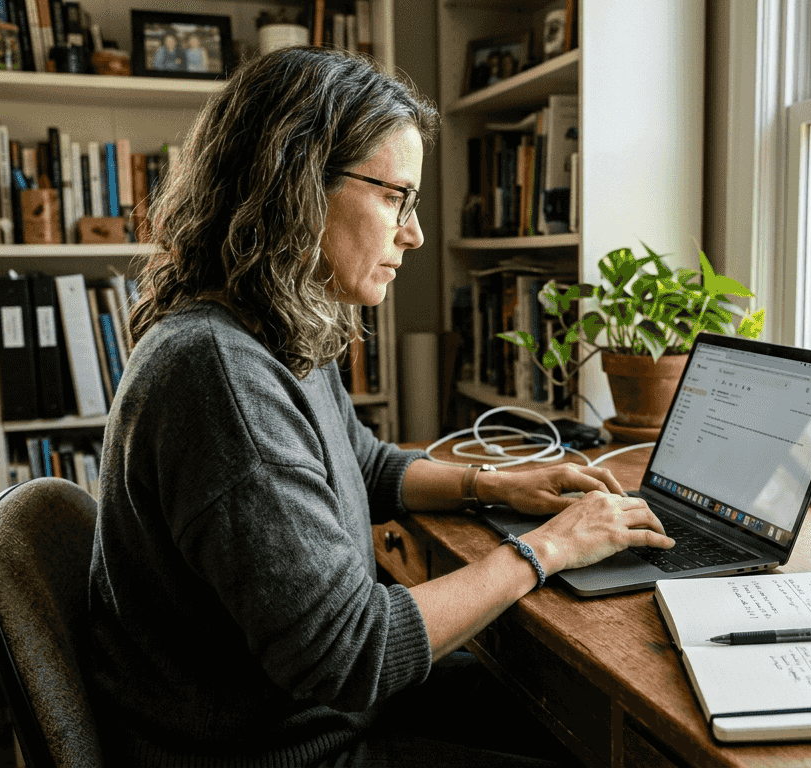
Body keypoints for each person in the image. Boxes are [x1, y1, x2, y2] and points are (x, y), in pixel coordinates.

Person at [87, 46, 673, 767]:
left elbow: (359, 464)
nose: (415, 232)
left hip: (312, 713)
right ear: (294, 185)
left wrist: (493, 485)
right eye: (395, 196)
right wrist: (550, 546)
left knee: (576, 717)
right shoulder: (220, 375)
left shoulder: (268, 328)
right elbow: (352, 651)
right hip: (284, 747)